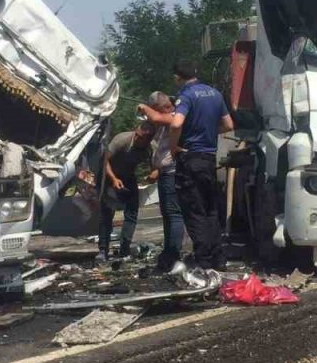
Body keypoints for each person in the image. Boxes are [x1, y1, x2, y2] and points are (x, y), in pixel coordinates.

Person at [169, 60, 233, 270]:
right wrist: (206, 133)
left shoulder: (186, 95)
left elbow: (176, 123)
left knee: (194, 210)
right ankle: (219, 258)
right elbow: (228, 125)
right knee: (211, 209)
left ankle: (203, 260)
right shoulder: (215, 94)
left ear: (178, 77)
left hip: (190, 158)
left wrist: (174, 147)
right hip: (208, 159)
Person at [136, 91, 185, 272]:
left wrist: (144, 108)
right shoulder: (165, 118)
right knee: (167, 215)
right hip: (165, 171)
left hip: (173, 171)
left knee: (173, 214)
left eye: (155, 109)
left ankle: (173, 254)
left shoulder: (174, 115)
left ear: (164, 107)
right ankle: (169, 252)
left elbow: (156, 118)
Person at [96, 123, 155, 263]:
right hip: (108, 174)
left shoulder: (152, 147)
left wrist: (154, 173)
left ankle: (124, 248)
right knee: (107, 213)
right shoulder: (122, 140)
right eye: (137, 135)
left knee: (132, 212)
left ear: (148, 140)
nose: (137, 139)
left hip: (128, 176)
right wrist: (114, 179)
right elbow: (104, 160)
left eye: (141, 138)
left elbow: (156, 162)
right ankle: (102, 250)